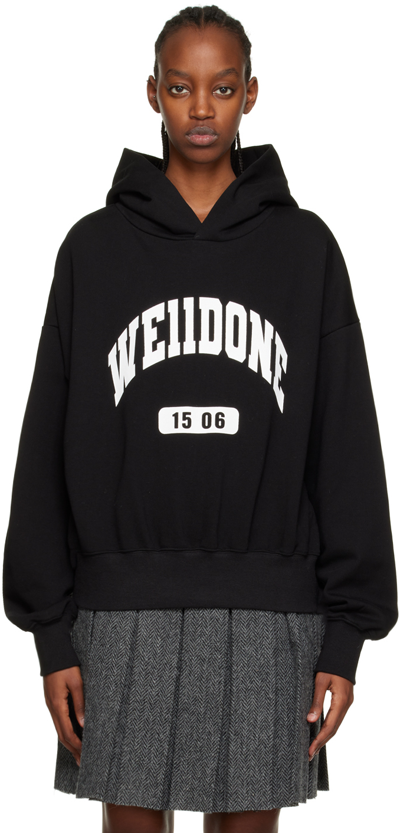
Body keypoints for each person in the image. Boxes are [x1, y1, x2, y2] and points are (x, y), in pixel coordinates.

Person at [2, 5, 398, 833]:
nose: (202, 108)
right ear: (153, 93)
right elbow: (45, 443)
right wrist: (51, 635)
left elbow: (346, 444)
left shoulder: (306, 250)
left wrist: (346, 638)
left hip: (270, 613)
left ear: (251, 93)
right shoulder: (92, 250)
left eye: (222, 87)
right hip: (118, 612)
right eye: (182, 87)